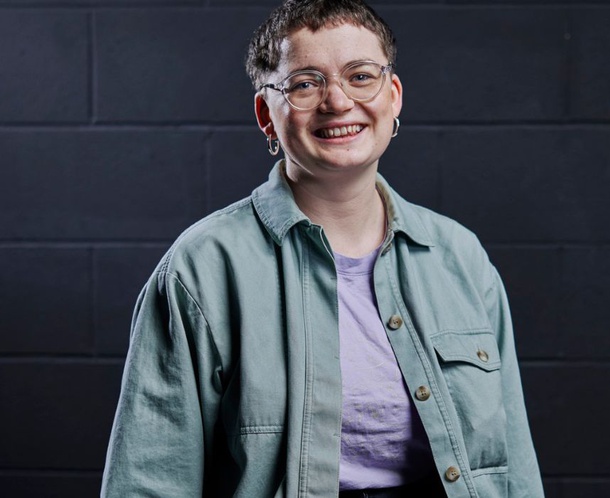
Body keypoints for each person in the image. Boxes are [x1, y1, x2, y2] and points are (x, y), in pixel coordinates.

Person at [101, 0, 544, 496]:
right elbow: (148, 480)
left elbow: (514, 465)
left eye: (360, 76)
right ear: (266, 114)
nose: (338, 101)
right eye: (306, 83)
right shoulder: (201, 270)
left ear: (392, 97)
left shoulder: (460, 257)